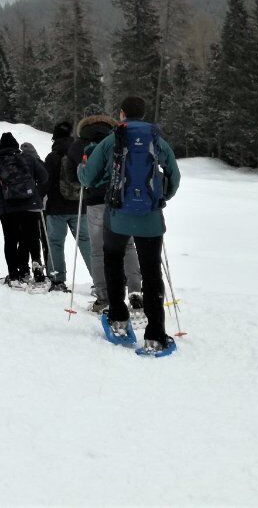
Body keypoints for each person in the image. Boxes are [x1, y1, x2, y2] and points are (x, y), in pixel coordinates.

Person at [77, 96, 180, 354]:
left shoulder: (112, 140)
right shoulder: (156, 139)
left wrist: (82, 168)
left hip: (118, 215)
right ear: (143, 114)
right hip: (151, 218)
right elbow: (174, 176)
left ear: (121, 114)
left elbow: (89, 177)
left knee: (113, 261)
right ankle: (155, 335)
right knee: (151, 272)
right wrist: (160, 197)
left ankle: (119, 320)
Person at [69, 113, 144, 315]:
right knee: (127, 246)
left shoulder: (79, 144)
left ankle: (104, 298)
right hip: (121, 200)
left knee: (98, 250)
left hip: (95, 203)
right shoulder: (118, 139)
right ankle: (136, 291)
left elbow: (72, 176)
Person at [0, 132, 48, 287]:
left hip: (7, 208)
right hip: (30, 205)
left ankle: (14, 275)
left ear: (1, 147)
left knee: (10, 239)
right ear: (16, 145)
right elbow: (44, 177)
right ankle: (35, 265)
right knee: (30, 236)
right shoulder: (28, 159)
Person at [43, 122, 93, 293]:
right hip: (80, 207)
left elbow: (46, 182)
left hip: (56, 208)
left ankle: (58, 280)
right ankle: (99, 281)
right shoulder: (80, 154)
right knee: (86, 242)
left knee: (56, 243)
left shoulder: (52, 157)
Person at [19, 143, 50, 284]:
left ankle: (24, 269)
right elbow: (46, 182)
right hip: (42, 207)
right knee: (44, 238)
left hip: (24, 207)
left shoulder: (18, 164)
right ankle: (45, 269)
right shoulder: (40, 163)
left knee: (26, 238)